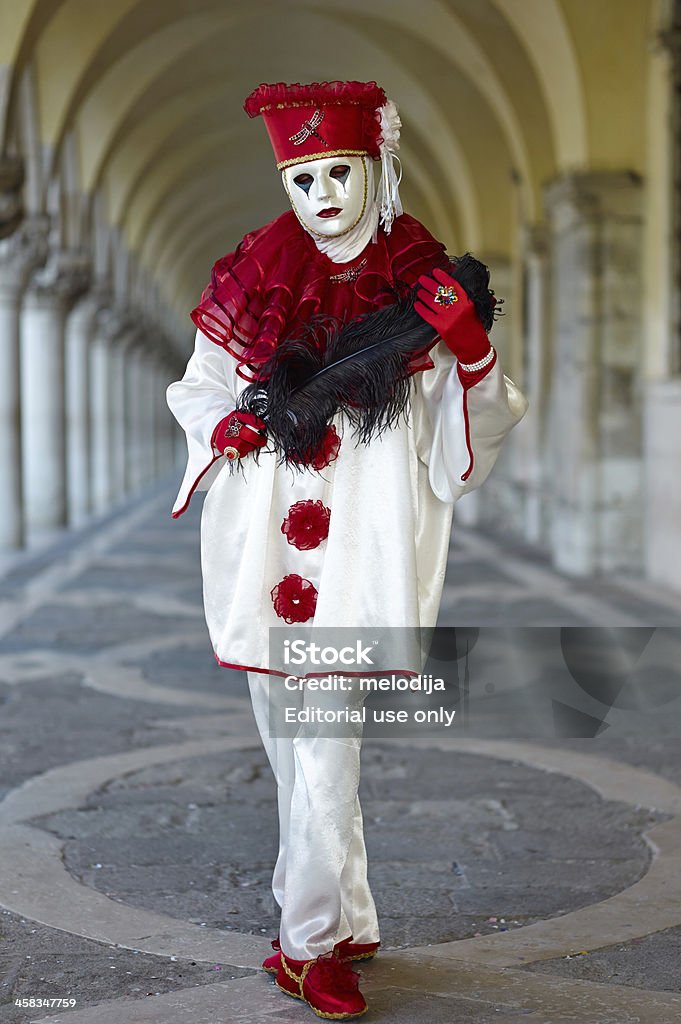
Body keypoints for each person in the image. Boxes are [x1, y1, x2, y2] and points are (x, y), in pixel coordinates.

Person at [166, 79, 528, 1020]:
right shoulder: (254, 275)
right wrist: (226, 430)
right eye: (302, 177)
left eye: (339, 171)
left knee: (325, 745)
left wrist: (474, 354)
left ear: (376, 167)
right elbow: (198, 386)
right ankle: (350, 914)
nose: (322, 193)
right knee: (295, 751)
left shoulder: (420, 286)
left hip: (363, 551)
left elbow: (477, 421)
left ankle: (307, 945)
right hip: (258, 544)